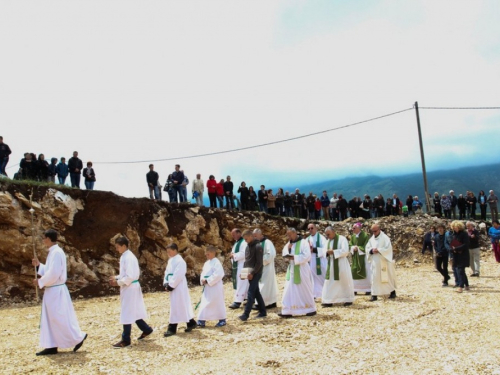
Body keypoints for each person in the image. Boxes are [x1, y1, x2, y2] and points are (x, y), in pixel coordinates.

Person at [31, 229, 87, 356]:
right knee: (51, 319)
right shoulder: (53, 252)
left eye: (44, 238)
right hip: (52, 290)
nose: (43, 240)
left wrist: (40, 282)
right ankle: (51, 345)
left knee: (58, 318)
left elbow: (54, 273)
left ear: (49, 239)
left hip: (56, 290)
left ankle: (78, 337)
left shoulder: (56, 252)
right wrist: (39, 266)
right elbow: (50, 270)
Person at [109, 236, 153, 348]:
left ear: (124, 246)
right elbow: (126, 274)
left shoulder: (128, 257)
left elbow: (131, 276)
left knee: (127, 311)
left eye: (118, 247)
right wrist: (117, 277)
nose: (117, 249)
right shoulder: (126, 256)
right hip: (130, 286)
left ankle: (126, 339)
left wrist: (118, 282)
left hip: (130, 287)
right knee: (134, 310)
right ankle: (146, 329)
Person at [279, 228, 316, 318]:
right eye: (287, 235)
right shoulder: (289, 243)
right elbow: (284, 253)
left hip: (302, 269)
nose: (289, 236)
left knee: (305, 289)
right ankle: (287, 310)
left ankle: (310, 309)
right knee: (288, 289)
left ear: (295, 233)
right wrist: (288, 249)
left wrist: (294, 257)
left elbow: (307, 256)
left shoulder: (303, 242)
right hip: (292, 269)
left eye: (290, 234)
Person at [163, 243, 197, 336]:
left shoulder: (180, 261)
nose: (168, 253)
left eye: (169, 251)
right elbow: (167, 272)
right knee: (180, 305)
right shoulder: (171, 261)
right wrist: (166, 282)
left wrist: (171, 285)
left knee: (177, 305)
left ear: (174, 250)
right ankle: (191, 322)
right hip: (172, 284)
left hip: (179, 286)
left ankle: (172, 328)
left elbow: (178, 275)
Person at [321, 226, 355, 307]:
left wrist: (333, 252)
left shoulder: (342, 239)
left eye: (328, 234)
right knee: (329, 282)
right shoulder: (328, 241)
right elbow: (324, 250)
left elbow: (345, 251)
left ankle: (347, 299)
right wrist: (326, 252)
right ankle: (329, 300)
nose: (327, 236)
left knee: (344, 281)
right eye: (326, 235)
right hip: (331, 263)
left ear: (334, 232)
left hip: (341, 263)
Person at [238, 230, 267, 321]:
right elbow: (247, 261)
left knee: (250, 293)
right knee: (256, 292)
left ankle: (246, 314)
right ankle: (263, 312)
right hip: (250, 273)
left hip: (256, 273)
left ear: (251, 236)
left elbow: (259, 263)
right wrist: (243, 273)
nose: (245, 241)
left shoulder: (258, 247)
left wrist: (252, 273)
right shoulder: (248, 247)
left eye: (246, 239)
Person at [196, 246, 226, 328]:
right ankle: (201, 320)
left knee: (217, 302)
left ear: (213, 253)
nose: (206, 255)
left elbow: (219, 274)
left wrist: (208, 280)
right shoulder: (206, 263)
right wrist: (202, 279)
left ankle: (222, 319)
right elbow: (203, 273)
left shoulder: (216, 262)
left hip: (215, 286)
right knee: (205, 302)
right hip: (208, 287)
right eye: (206, 253)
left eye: (208, 253)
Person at [366, 224, 397, 301]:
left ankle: (392, 292)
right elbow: (367, 248)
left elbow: (388, 248)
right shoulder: (371, 239)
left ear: (379, 229)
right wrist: (371, 251)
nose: (374, 233)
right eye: (373, 231)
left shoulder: (385, 238)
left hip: (384, 260)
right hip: (375, 261)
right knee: (374, 278)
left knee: (387, 277)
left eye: (375, 231)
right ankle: (374, 295)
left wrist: (379, 250)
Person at [252, 229, 278, 309]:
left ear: (261, 234)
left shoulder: (267, 242)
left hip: (267, 267)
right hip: (260, 268)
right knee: (267, 285)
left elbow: (271, 255)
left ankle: (261, 303)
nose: (254, 238)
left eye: (255, 236)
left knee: (264, 285)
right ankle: (271, 302)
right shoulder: (257, 243)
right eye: (253, 236)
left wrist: (259, 260)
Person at [228, 229, 249, 309]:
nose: (233, 237)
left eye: (234, 235)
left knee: (242, 282)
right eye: (232, 235)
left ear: (239, 233)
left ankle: (237, 301)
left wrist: (234, 255)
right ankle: (247, 298)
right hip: (238, 266)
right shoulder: (237, 243)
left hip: (244, 266)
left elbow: (244, 253)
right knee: (243, 283)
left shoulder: (244, 242)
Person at [306, 223, 328, 299]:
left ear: (316, 228)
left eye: (312, 228)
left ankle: (325, 293)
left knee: (322, 277)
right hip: (311, 261)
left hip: (320, 261)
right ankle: (314, 294)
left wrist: (314, 249)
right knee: (312, 278)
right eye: (309, 229)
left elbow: (325, 250)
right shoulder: (307, 239)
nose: (310, 230)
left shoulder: (321, 238)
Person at [349, 223, 371, 295]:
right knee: (354, 270)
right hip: (355, 257)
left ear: (359, 228)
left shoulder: (365, 236)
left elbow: (366, 246)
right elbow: (350, 244)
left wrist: (358, 248)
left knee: (365, 270)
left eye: (354, 228)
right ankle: (355, 289)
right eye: (353, 228)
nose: (353, 229)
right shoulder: (353, 236)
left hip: (363, 257)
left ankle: (367, 289)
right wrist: (352, 248)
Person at [449, 221, 470, 293]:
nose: (455, 228)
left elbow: (466, 244)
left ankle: (461, 286)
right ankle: (467, 285)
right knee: (460, 270)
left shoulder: (464, 234)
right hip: (456, 255)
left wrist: (457, 249)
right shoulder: (453, 234)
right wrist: (452, 249)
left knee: (460, 270)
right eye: (454, 227)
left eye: (456, 227)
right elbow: (452, 244)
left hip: (463, 255)